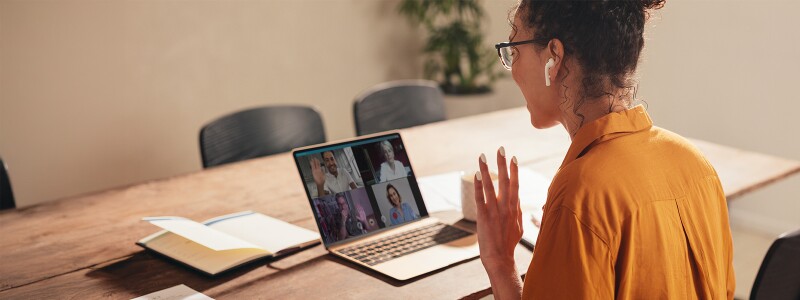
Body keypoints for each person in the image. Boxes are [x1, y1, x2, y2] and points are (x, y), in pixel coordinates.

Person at [473, 1, 735, 299]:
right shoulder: (697, 165)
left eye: (514, 49)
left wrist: (500, 264)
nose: (512, 68)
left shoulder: (580, 195)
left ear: (553, 57)